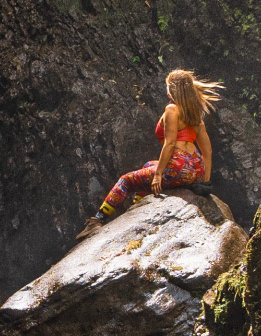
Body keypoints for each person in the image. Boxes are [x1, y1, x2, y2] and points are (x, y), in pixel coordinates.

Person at [78, 69, 220, 239]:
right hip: (195, 169)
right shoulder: (196, 115)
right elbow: (208, 152)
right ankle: (138, 205)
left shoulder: (172, 109)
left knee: (126, 180)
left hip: (179, 166)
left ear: (172, 89)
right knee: (148, 166)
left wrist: (159, 175)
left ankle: (97, 220)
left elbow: (170, 143)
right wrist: (205, 183)